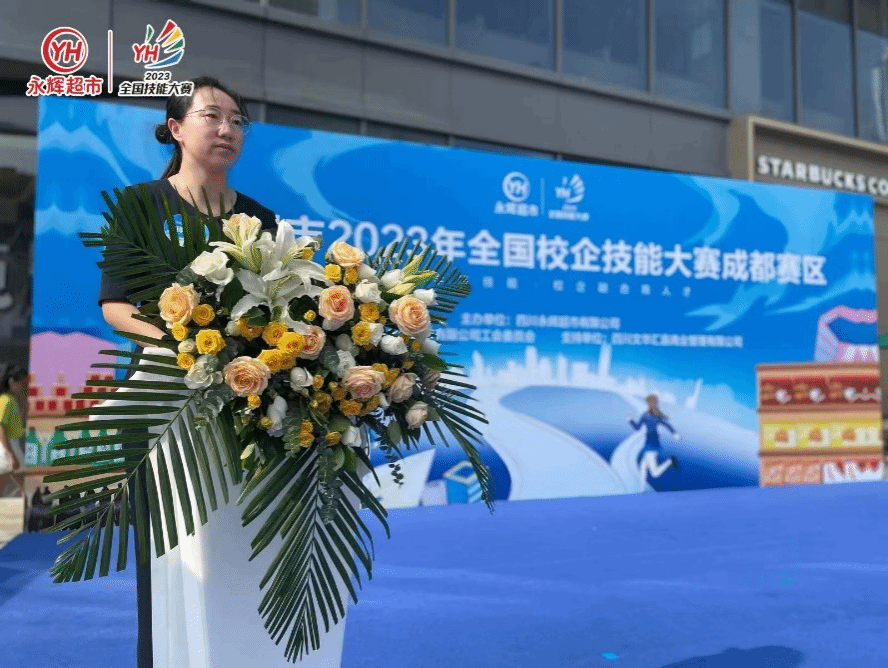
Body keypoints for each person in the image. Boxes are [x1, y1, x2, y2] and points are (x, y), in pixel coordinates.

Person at [97, 76, 277, 668]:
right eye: (211, 116)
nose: (227, 129)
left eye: (237, 120)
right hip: (165, 403)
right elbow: (116, 306)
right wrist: (188, 350)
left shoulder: (259, 219)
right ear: (176, 128)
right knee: (170, 560)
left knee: (235, 551)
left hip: (243, 403)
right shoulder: (140, 205)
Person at [628, 393, 680, 491]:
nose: (651, 404)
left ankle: (670, 461)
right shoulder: (646, 415)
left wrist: (674, 433)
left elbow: (666, 424)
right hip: (649, 445)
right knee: (643, 468)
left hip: (652, 446)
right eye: (650, 402)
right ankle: (642, 491)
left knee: (654, 473)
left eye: (653, 402)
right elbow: (637, 428)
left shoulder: (656, 415)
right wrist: (631, 421)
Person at [0, 365, 29, 498]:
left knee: (15, 477)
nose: (25, 386)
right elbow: (1, 427)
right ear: (12, 382)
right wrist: (10, 453)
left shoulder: (12, 400)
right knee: (20, 475)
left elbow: (21, 422)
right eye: (22, 382)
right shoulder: (6, 400)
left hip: (12, 443)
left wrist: (24, 399)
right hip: (8, 444)